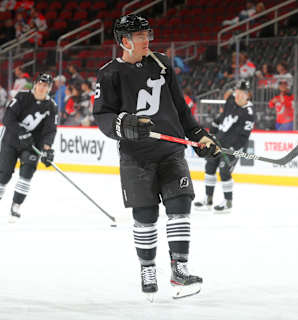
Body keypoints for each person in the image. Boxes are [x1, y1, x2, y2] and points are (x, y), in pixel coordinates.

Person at [93, 14, 220, 301]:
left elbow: (180, 107)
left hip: (171, 152)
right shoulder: (109, 73)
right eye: (140, 36)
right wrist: (123, 124)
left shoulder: (161, 64)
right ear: (124, 41)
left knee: (180, 203)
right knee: (146, 214)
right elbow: (102, 115)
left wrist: (199, 135)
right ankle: (148, 268)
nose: (147, 40)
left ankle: (180, 268)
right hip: (136, 156)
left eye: (147, 34)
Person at [0, 73, 57, 222]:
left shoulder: (51, 107)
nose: (42, 87)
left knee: (27, 174)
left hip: (31, 145)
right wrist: (21, 132)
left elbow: (50, 130)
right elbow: (8, 118)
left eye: (46, 85)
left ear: (49, 88)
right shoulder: (21, 97)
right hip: (11, 141)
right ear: (35, 84)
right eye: (40, 84)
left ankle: (16, 206)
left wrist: (47, 149)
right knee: (4, 175)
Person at [193, 80, 255, 213]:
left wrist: (234, 149)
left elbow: (244, 136)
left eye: (242, 93)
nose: (238, 95)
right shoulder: (231, 100)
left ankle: (228, 202)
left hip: (232, 148)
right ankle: (208, 199)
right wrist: (213, 131)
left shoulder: (249, 113)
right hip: (219, 142)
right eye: (237, 92)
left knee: (224, 171)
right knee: (209, 167)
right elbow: (223, 116)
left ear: (248, 95)